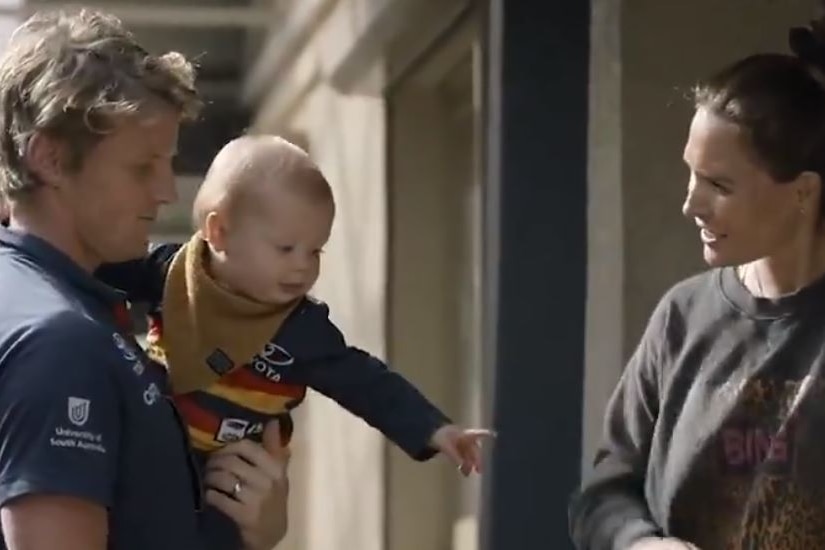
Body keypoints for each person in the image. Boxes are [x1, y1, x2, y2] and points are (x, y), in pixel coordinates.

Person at [0, 9, 288, 550]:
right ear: (50, 158)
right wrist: (246, 539)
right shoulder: (61, 342)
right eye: (142, 166)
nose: (166, 192)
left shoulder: (31, 300)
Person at [569, 13, 825, 550]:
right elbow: (604, 494)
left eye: (719, 184)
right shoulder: (682, 317)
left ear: (802, 192)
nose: (691, 203)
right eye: (691, 173)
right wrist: (641, 544)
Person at [98, 135, 494, 478]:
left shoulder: (301, 328)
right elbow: (89, 268)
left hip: (224, 474)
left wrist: (434, 430)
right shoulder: (170, 272)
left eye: (315, 250)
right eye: (286, 248)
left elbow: (368, 383)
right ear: (220, 233)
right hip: (146, 441)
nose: (303, 265)